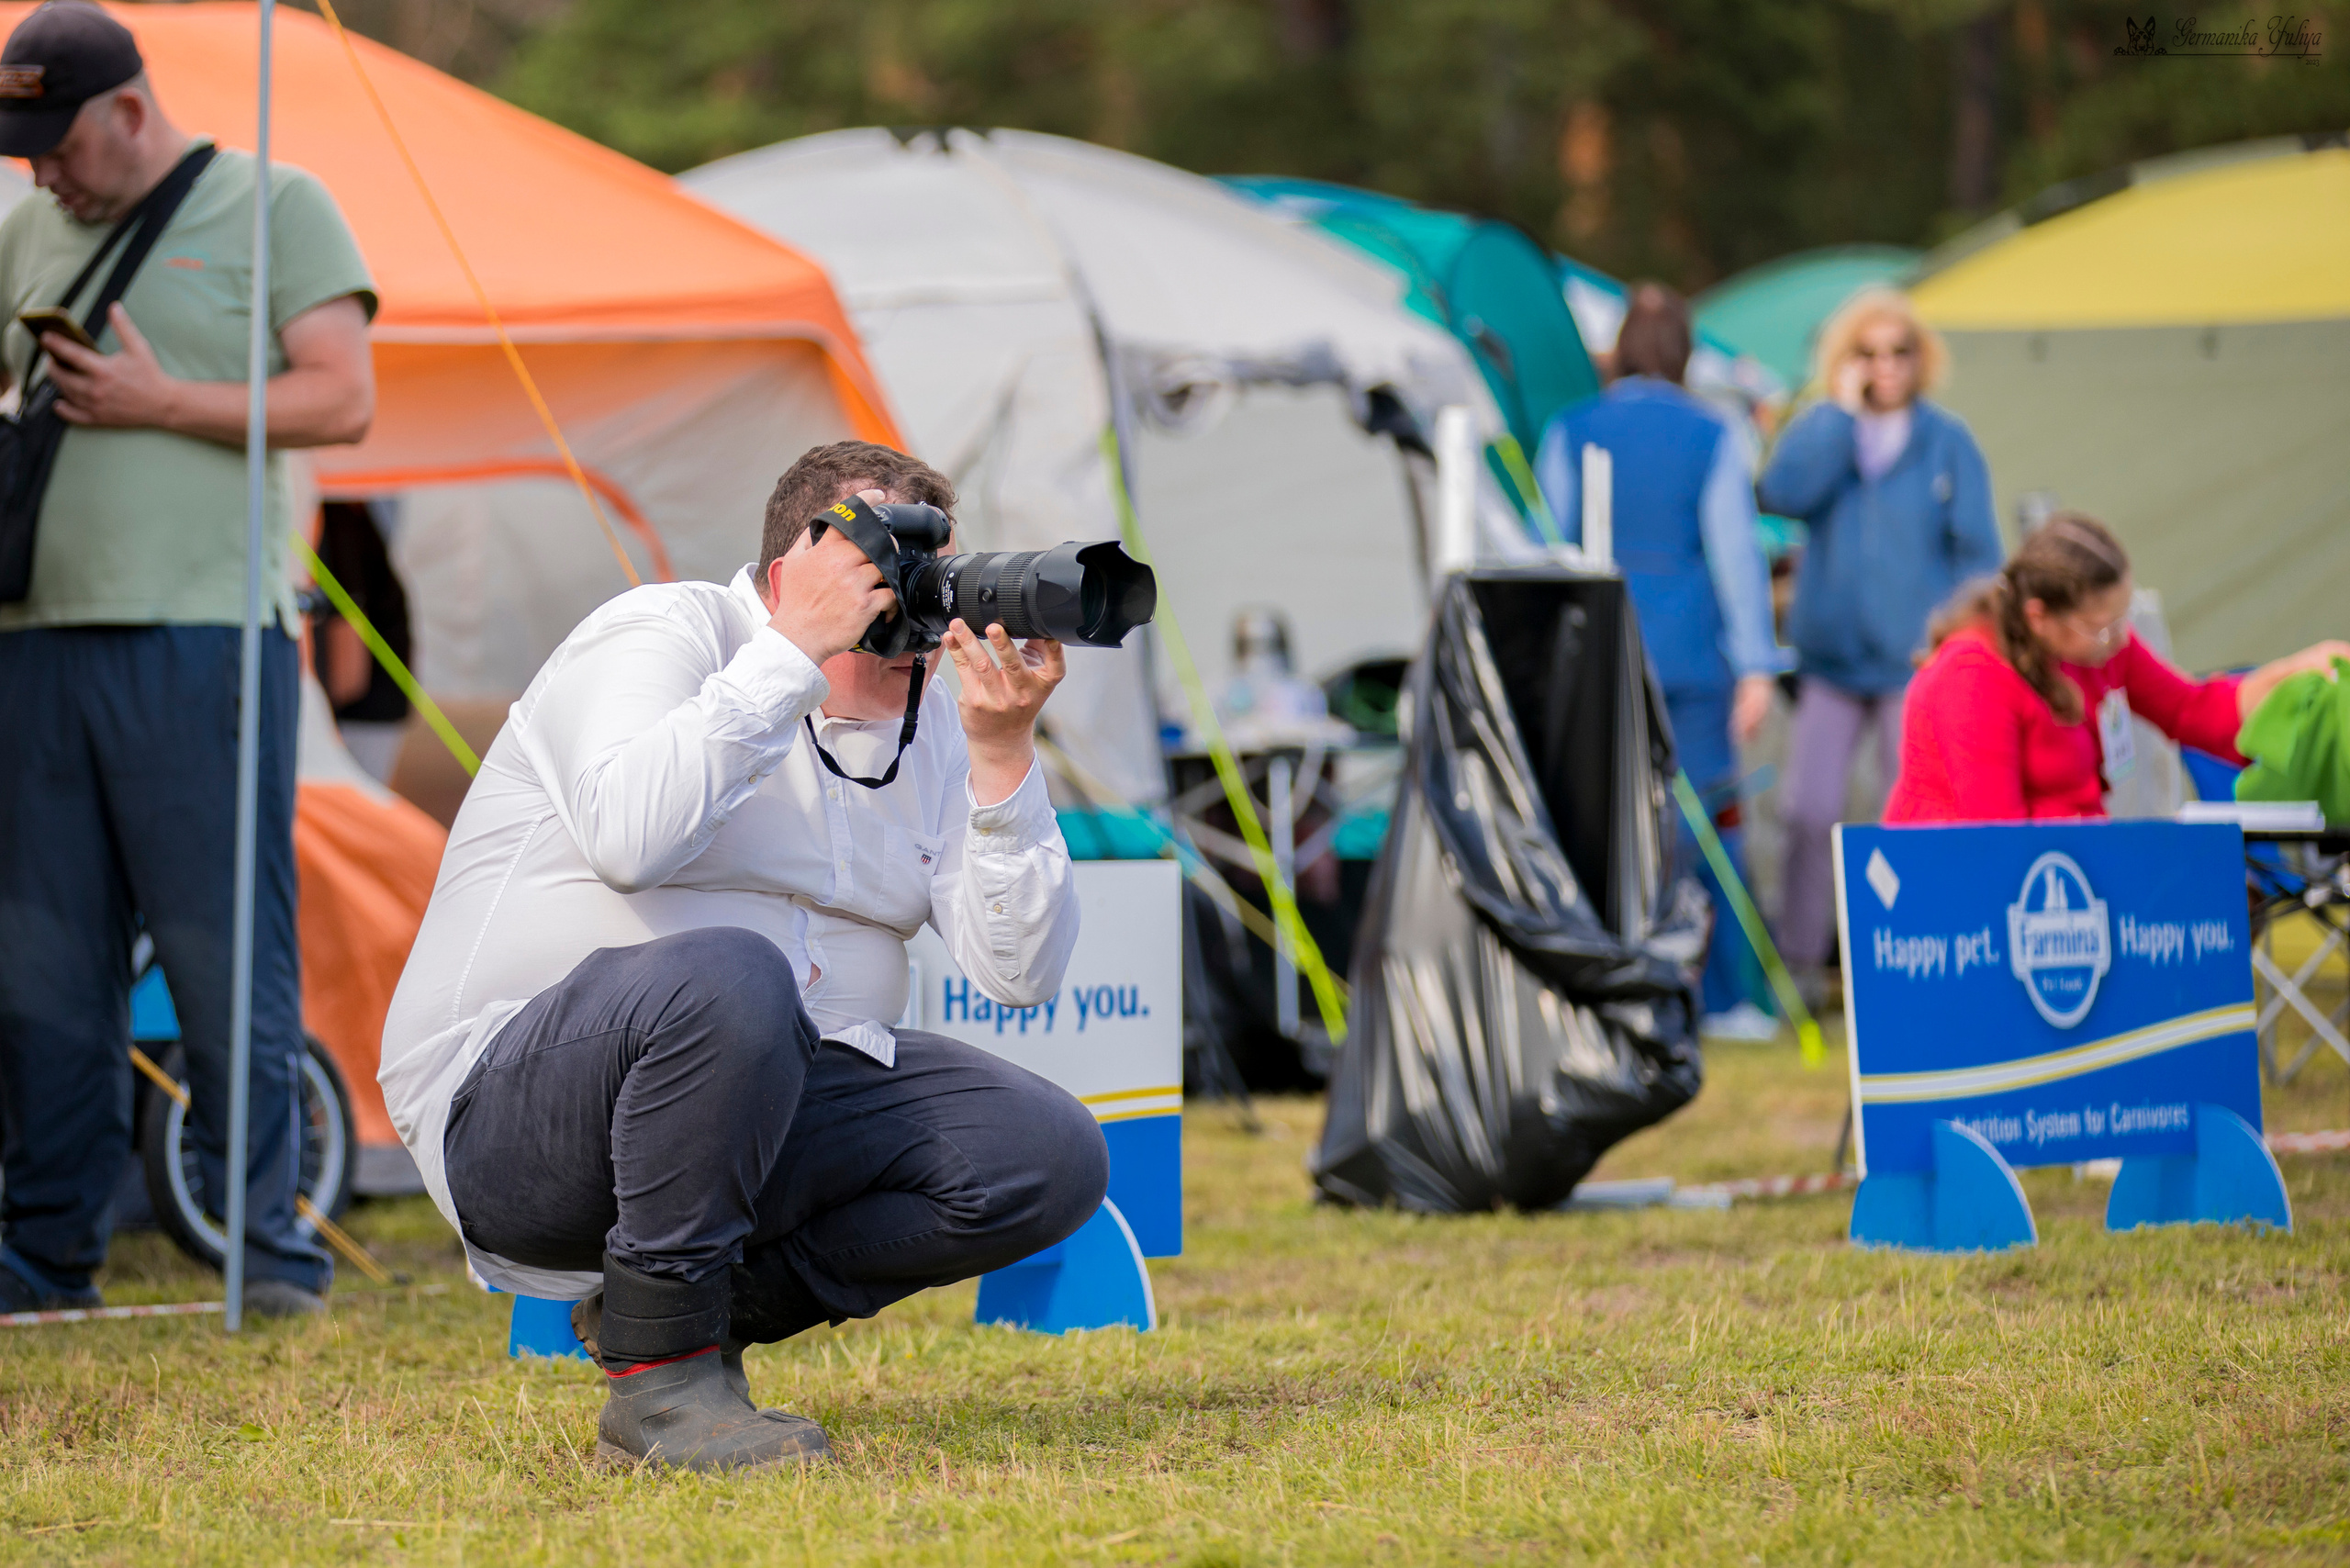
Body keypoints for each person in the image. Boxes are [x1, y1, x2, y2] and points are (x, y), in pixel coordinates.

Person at [378, 441, 1109, 1473]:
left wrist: (1000, 756)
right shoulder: (661, 633)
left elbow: (1018, 973)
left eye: (926, 577)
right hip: (513, 1116)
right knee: (732, 972)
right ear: (788, 572)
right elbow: (630, 840)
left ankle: (661, 1317)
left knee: (1042, 1150)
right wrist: (792, 650)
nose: (907, 610)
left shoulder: (935, 729)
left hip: (749, 1107)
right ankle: (663, 1392)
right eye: (881, 571)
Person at [0, 4, 376, 1317]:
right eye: (22, 148)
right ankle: (45, 1256)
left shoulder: (280, 204)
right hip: (33, 642)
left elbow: (344, 397)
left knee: (224, 953)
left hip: (207, 635)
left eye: (58, 143)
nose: (41, 170)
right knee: (42, 966)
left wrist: (163, 402)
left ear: (129, 110)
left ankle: (266, 1250)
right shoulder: (24, 227)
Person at [1538, 283, 1791, 1038]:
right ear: (1685, 353)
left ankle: (1617, 982)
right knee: (1712, 822)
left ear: (1618, 350)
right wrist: (1756, 664)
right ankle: (1727, 999)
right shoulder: (1713, 433)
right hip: (1690, 660)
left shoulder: (1570, 429)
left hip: (1600, 657)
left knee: (1604, 819)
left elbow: (1548, 548)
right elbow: (1736, 556)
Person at [1757, 287, 2001, 1003]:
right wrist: (1837, 414)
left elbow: (1979, 554)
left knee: (1913, 814)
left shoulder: (1946, 441)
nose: (1886, 364)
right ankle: (1801, 970)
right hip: (1830, 664)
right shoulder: (1826, 432)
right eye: (1868, 352)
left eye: (1900, 350)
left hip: (1912, 667)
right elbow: (1778, 493)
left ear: (1922, 358)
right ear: (1847, 360)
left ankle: (1914, 959)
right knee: (1809, 810)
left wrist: (1952, 640)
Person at [1886, 512, 2350, 823]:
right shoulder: (1971, 678)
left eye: (2123, 617)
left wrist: (2298, 670)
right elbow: (1995, 834)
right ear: (2038, 617)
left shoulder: (2104, 648)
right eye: (2101, 626)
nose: (2121, 638)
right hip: (1951, 901)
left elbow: (2195, 711)